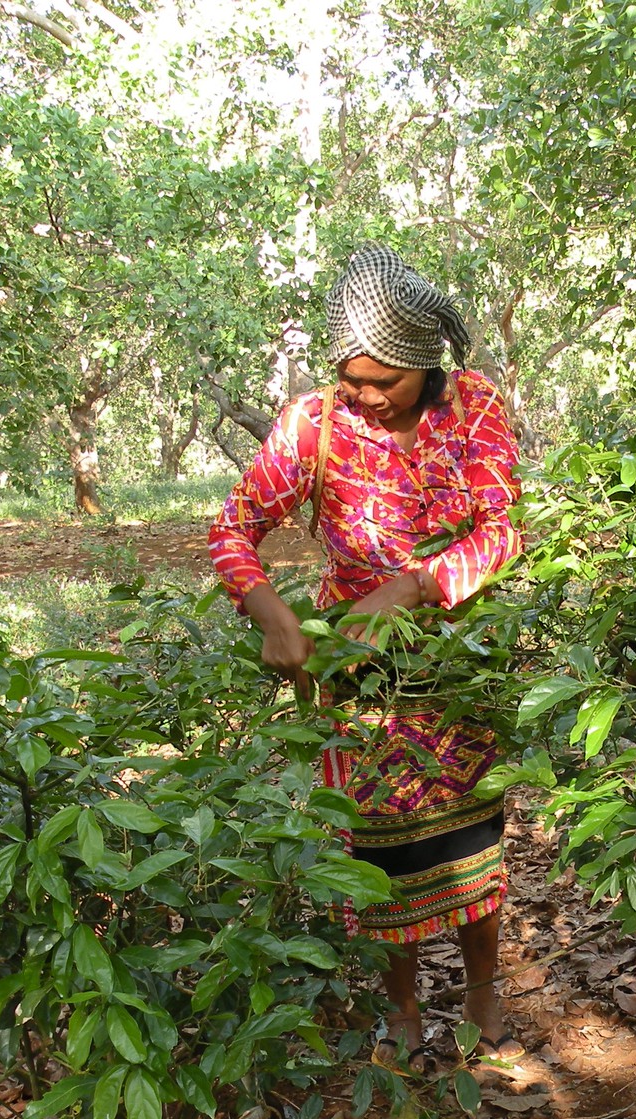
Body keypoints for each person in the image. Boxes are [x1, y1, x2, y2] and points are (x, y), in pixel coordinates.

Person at [209, 246, 524, 1067]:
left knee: (469, 840)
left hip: (458, 666)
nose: (368, 397)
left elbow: (501, 530)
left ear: (428, 365)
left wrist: (415, 587)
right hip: (355, 679)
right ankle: (405, 1007)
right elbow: (231, 528)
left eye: (387, 381)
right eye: (354, 379)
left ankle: (485, 992)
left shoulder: (477, 408)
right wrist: (271, 611)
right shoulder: (312, 425)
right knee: (378, 854)